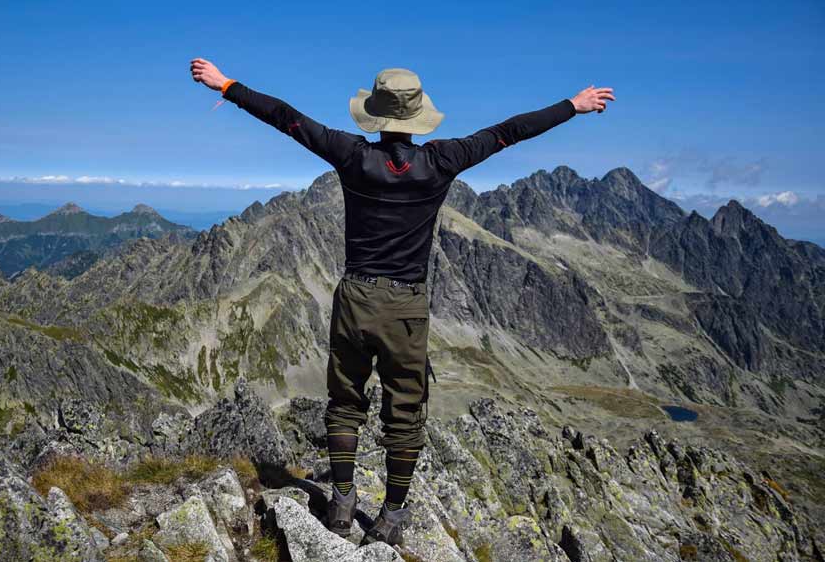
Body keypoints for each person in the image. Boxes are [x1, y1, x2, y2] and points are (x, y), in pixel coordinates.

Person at [190, 58, 614, 547]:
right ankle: (391, 515)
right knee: (405, 412)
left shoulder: (351, 157)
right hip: (406, 308)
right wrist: (573, 107)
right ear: (417, 118)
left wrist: (226, 84)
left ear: (373, 114)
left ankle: (343, 503)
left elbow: (286, 117)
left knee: (344, 403)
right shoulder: (441, 161)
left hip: (355, 298)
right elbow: (509, 132)